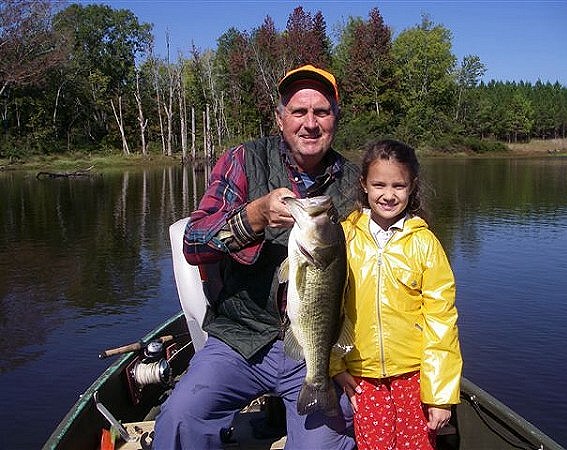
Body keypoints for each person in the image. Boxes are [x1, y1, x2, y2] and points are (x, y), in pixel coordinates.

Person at [153, 65, 359, 449]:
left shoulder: (358, 182)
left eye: (322, 112)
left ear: (335, 120)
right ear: (280, 119)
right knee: (180, 419)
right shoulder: (243, 160)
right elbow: (193, 243)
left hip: (316, 349)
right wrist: (253, 217)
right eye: (299, 112)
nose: (310, 123)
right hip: (241, 337)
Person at [331, 139, 463, 450]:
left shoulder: (425, 243)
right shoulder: (344, 236)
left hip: (414, 376)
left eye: (398, 186)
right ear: (363, 184)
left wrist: (440, 395)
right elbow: (329, 307)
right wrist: (335, 366)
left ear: (412, 187)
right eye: (379, 184)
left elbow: (441, 319)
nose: (388, 195)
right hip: (362, 375)